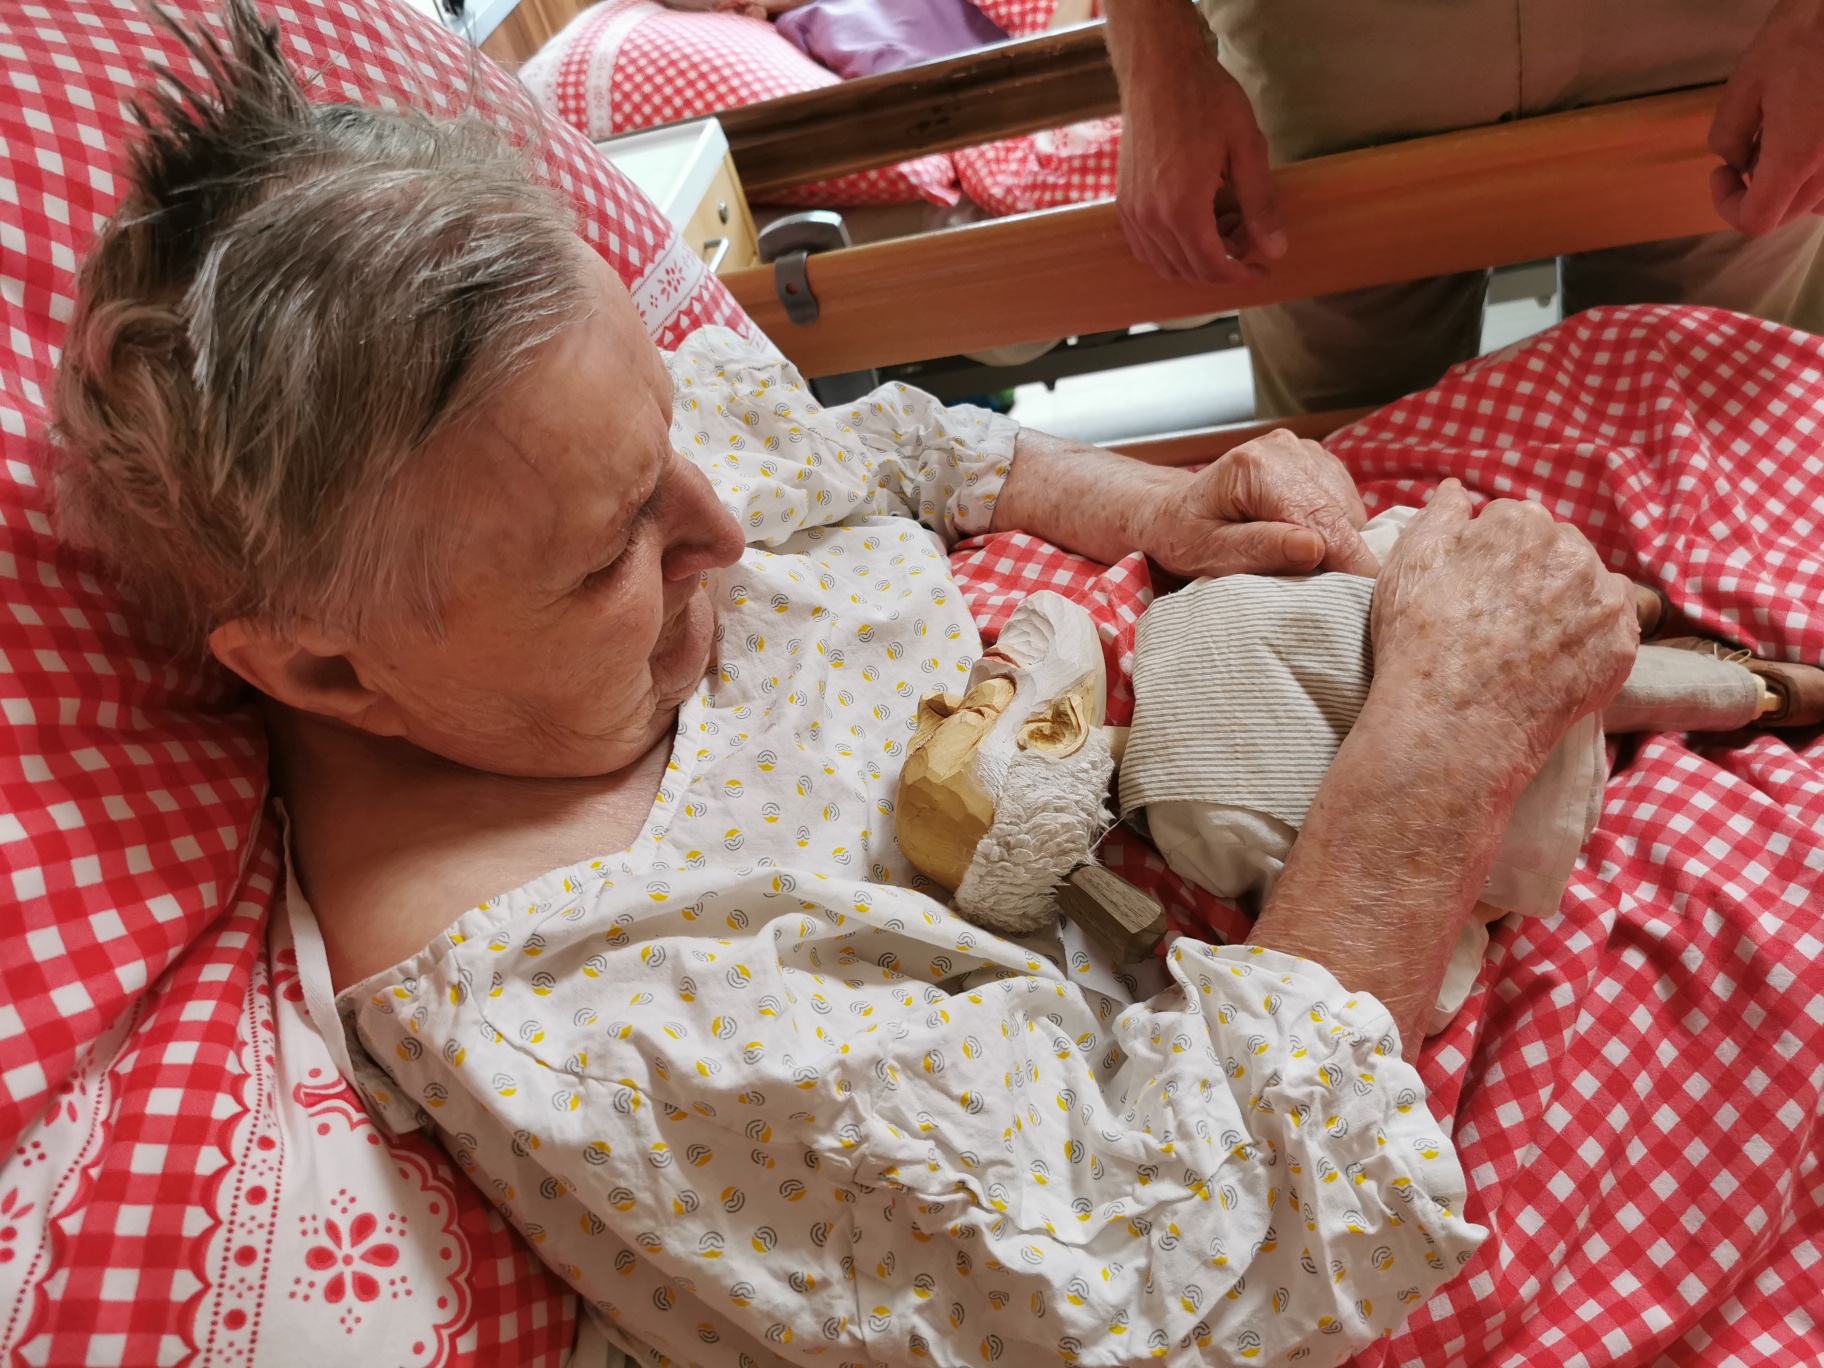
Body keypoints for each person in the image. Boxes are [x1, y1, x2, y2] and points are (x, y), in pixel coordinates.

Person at [51, 3, 1639, 1363]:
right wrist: (1448, 729)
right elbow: (1167, 1265)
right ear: (328, 669)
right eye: (612, 560)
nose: (721, 528)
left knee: (1662, 375)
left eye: (667, 429)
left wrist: (1151, 505)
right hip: (1310, 1068)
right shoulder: (602, 1016)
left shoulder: (550, 457)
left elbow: (889, 443)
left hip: (1201, 741)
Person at [1105, 0, 1824, 415]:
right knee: (1334, 486)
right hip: (1331, 43)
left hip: (1713, 33)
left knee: (1716, 436)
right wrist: (1155, 57)